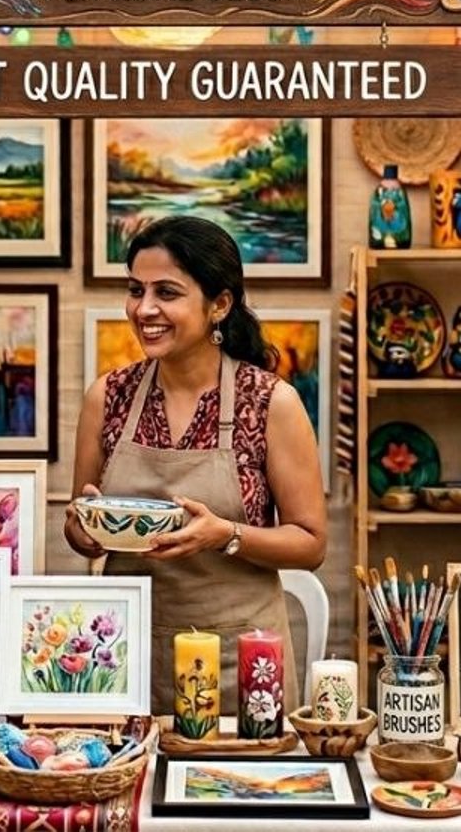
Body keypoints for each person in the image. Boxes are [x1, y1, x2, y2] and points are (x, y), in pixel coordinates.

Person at [65, 216, 328, 715]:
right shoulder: (108, 397)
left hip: (240, 663)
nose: (144, 309)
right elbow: (79, 532)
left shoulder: (270, 403)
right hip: (125, 656)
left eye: (166, 292)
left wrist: (225, 534)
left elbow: (311, 543)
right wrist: (86, 528)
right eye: (135, 290)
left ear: (219, 305)